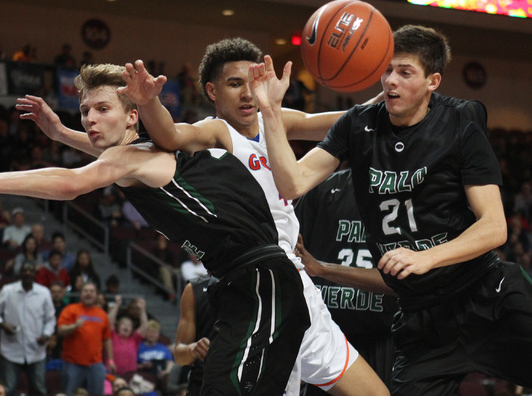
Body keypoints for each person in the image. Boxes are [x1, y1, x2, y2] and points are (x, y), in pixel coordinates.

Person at [0, 62, 311, 396]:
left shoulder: (134, 158)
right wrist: (59, 134)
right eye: (85, 111)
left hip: (263, 280)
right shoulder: (145, 154)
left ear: (133, 115)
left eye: (102, 108)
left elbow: (73, 182)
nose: (89, 118)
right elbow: (112, 156)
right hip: (248, 284)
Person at [256, 24, 532, 395]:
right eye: (386, 71)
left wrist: (428, 257)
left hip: (485, 295)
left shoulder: (460, 124)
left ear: (433, 81)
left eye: (405, 72)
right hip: (422, 319)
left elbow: (494, 228)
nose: (391, 81)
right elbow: (293, 183)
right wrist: (271, 111)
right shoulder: (357, 124)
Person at [118, 39, 387, 395]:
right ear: (212, 91)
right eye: (234, 84)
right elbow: (168, 135)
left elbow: (346, 122)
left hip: (297, 281)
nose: (248, 93)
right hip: (259, 284)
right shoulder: (215, 132)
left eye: (253, 81)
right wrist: (149, 101)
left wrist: (391, 88)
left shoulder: (274, 120)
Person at [294, 168, 398, 391]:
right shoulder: (321, 188)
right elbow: (295, 257)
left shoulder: (410, 192)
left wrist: (322, 269)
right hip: (326, 334)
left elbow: (412, 282)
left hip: (384, 336)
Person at [0, 260, 56, 396]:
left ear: (34, 273)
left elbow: (51, 319)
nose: (27, 273)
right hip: (11, 350)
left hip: (36, 350)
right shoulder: (8, 290)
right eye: (24, 270)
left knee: (39, 389)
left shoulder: (44, 293)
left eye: (30, 270)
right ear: (20, 273)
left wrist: (46, 335)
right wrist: (2, 325)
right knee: (7, 389)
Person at [57, 282, 114, 395]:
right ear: (80, 294)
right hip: (73, 363)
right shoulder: (70, 309)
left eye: (92, 291)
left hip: (96, 364)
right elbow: (60, 331)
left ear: (97, 295)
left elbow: (107, 339)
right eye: (86, 291)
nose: (89, 294)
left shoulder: (102, 314)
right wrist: (74, 326)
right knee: (70, 393)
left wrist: (111, 360)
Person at [173, 274, 218, 396]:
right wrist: (193, 349)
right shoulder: (195, 289)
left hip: (248, 380)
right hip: (204, 383)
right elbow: (179, 356)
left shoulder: (258, 283)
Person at [107, 295, 148, 376]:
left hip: (130, 375)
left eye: (129, 325)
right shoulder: (112, 336)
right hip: (112, 373)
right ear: (118, 327)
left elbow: (144, 326)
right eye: (123, 324)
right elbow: (108, 322)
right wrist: (117, 305)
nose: (126, 326)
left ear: (132, 329)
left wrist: (142, 310)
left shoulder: (134, 339)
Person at [136, 320, 174, 393]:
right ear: (145, 333)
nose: (152, 334)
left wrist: (166, 371)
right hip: (144, 378)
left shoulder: (164, 348)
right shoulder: (139, 347)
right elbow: (132, 365)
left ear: (158, 334)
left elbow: (170, 362)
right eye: (149, 332)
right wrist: (142, 366)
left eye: (154, 332)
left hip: (161, 378)